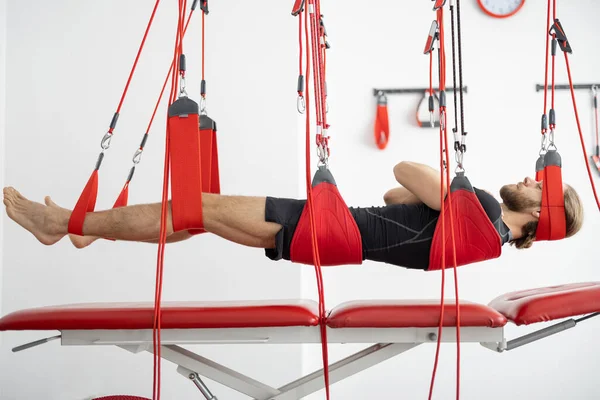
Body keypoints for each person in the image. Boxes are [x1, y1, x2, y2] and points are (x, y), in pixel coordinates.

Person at [2, 161, 584, 270]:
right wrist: (445, 199)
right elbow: (394, 203)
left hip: (326, 225)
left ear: (540, 215)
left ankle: (65, 226)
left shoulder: (480, 207)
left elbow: (405, 172)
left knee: (197, 205)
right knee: (200, 216)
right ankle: (85, 234)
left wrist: (455, 183)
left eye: (543, 185)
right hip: (336, 241)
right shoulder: (481, 240)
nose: (534, 178)